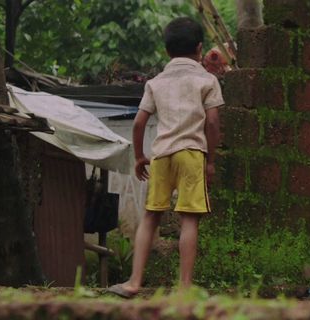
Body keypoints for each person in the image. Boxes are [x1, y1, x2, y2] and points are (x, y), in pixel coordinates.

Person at [108, 17, 223, 298]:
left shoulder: (155, 83)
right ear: (199, 49)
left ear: (167, 51)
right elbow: (213, 123)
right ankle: (183, 288)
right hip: (192, 154)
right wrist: (210, 161)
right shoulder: (207, 80)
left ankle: (134, 282)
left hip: (160, 156)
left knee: (150, 216)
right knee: (189, 219)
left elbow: (138, 124)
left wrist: (139, 157)